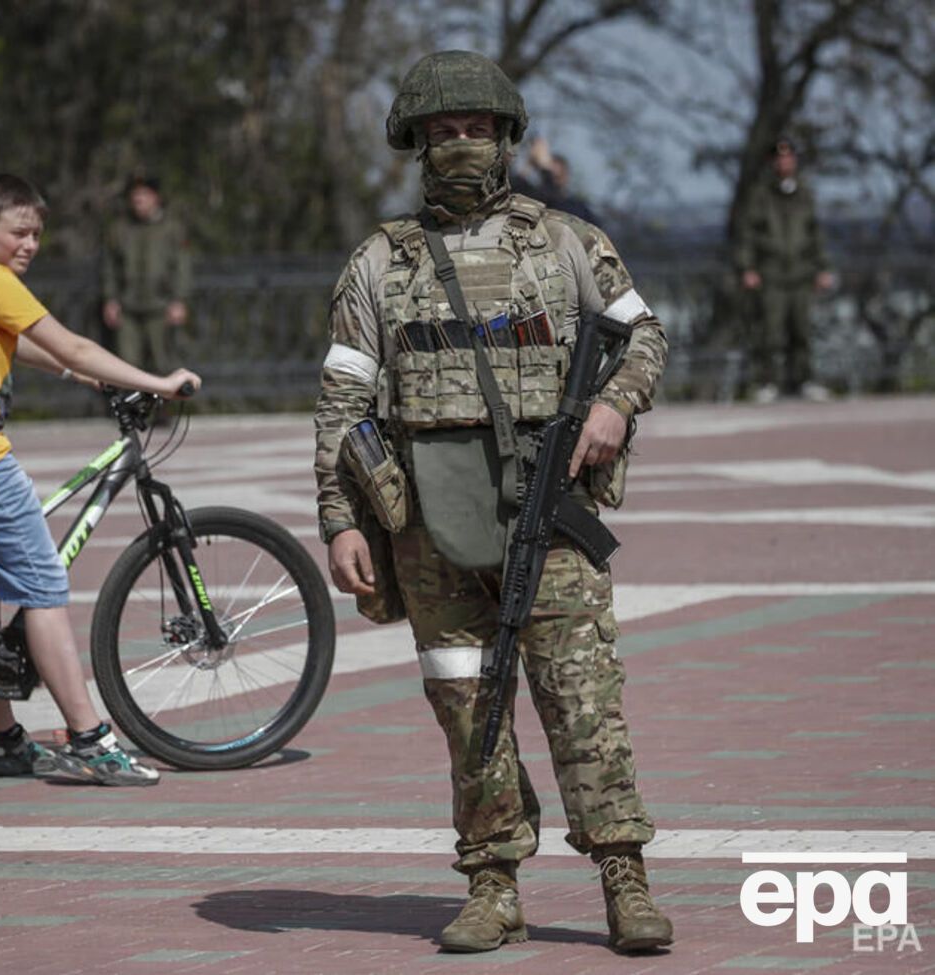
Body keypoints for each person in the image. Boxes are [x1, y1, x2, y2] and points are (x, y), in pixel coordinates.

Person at [313, 51, 673, 954]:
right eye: (443, 132)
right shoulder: (377, 263)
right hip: (427, 529)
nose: (461, 146)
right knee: (465, 707)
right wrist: (338, 518)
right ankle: (491, 883)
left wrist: (614, 406)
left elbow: (645, 336)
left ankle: (624, 877)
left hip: (547, 512)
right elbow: (344, 401)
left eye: (477, 129)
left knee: (580, 697)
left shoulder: (567, 241)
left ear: (506, 138)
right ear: (417, 144)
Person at [0, 173, 200, 786]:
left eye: (37, 234)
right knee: (44, 584)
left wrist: (78, 376)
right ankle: (89, 738)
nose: (30, 244)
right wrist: (157, 383)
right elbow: (78, 344)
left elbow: (16, 343)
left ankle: (4, 739)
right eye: (18, 232)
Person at [733, 137, 835, 403]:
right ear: (772, 162)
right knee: (771, 330)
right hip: (771, 273)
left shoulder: (805, 193)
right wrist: (748, 267)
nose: (784, 161)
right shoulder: (761, 194)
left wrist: (823, 268)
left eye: (789, 157)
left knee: (802, 329)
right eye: (779, 157)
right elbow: (748, 235)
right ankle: (768, 382)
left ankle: (805, 380)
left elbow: (815, 234)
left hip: (801, 271)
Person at [99, 175, 192, 374]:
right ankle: (132, 405)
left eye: (144, 194)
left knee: (163, 363)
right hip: (128, 306)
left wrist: (179, 300)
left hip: (161, 305)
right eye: (135, 194)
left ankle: (163, 405)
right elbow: (110, 267)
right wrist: (110, 298)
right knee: (127, 364)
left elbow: (182, 266)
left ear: (156, 197)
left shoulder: (171, 228)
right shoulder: (120, 229)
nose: (138, 199)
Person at [511, 134, 600, 224]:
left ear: (566, 176)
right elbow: (513, 192)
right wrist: (529, 164)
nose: (553, 178)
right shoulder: (535, 196)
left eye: (557, 176)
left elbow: (552, 199)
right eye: (551, 175)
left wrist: (545, 168)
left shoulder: (578, 208)